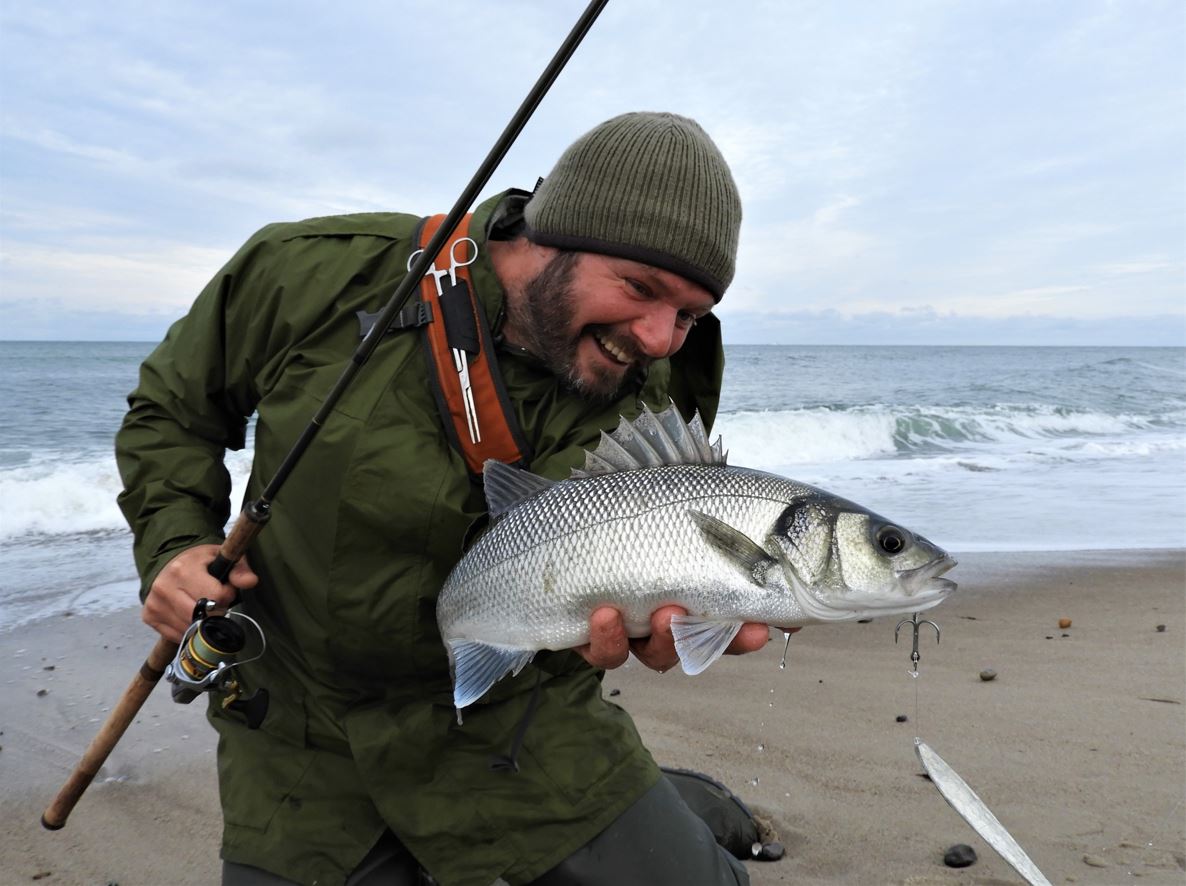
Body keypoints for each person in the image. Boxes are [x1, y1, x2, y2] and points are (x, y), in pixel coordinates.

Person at [116, 111, 769, 886]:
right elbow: (175, 412)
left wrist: (660, 624)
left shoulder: (662, 379)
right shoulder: (314, 274)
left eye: (690, 314)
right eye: (639, 288)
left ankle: (664, 801)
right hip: (304, 735)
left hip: (526, 724)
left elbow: (639, 553)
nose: (661, 337)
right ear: (547, 239)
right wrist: (175, 544)